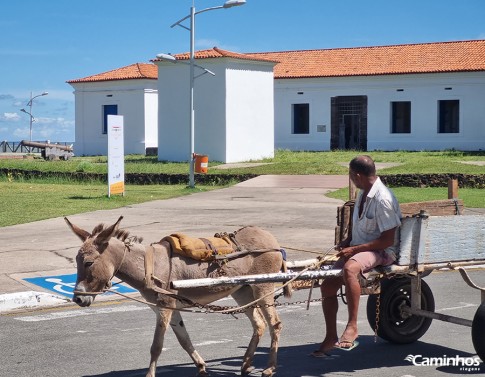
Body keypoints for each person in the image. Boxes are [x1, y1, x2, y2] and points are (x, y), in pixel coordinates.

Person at [311, 155, 402, 357]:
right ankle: (330, 336)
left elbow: (387, 240)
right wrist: (348, 240)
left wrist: (354, 250)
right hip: (361, 249)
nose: (351, 179)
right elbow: (360, 223)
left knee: (350, 269)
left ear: (358, 175)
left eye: (351, 175)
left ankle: (352, 325)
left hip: (382, 252)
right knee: (327, 284)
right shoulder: (363, 193)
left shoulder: (383, 199)